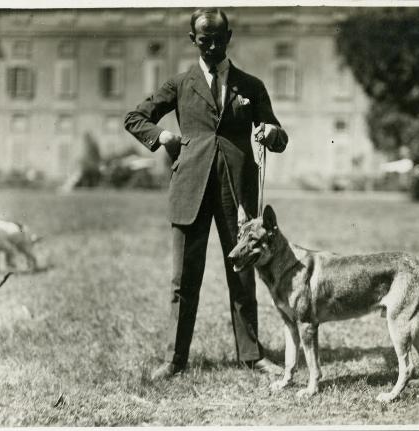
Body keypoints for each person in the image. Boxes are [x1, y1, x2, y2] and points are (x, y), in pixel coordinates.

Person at [124, 8, 288, 381]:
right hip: (189, 191)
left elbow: (277, 132)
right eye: (204, 39)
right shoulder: (179, 84)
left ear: (229, 37)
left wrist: (269, 133)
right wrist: (161, 136)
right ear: (192, 40)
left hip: (238, 194)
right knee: (184, 280)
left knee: (243, 276)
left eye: (218, 38)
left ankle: (252, 356)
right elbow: (135, 117)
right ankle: (175, 360)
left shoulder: (252, 85)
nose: (212, 45)